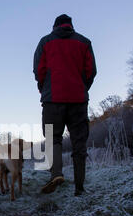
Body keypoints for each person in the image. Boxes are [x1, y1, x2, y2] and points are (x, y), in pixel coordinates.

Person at [33, 14, 97, 196]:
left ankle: (56, 174)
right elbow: (91, 71)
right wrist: (82, 87)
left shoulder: (45, 42)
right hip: (78, 100)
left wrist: (43, 88)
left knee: (53, 137)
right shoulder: (84, 42)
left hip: (52, 100)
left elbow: (39, 70)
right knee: (79, 142)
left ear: (54, 27)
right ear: (71, 26)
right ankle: (79, 187)